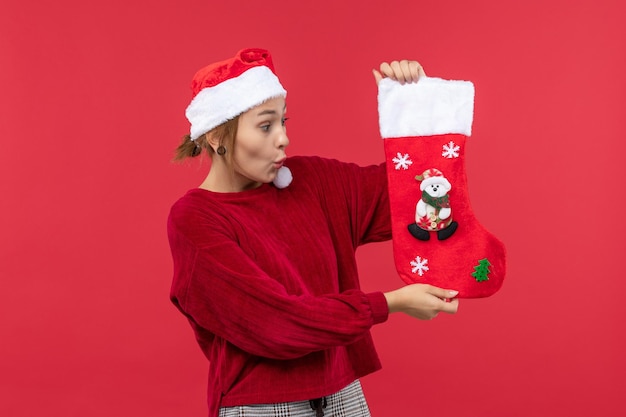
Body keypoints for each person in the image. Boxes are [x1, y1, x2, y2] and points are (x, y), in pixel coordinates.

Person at [167, 48, 459, 417]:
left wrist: (414, 111)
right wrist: (391, 303)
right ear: (215, 136)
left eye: (283, 122)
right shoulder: (195, 220)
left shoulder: (313, 182)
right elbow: (276, 323)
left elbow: (418, 193)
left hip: (343, 396)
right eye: (265, 125)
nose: (283, 139)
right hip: (260, 407)